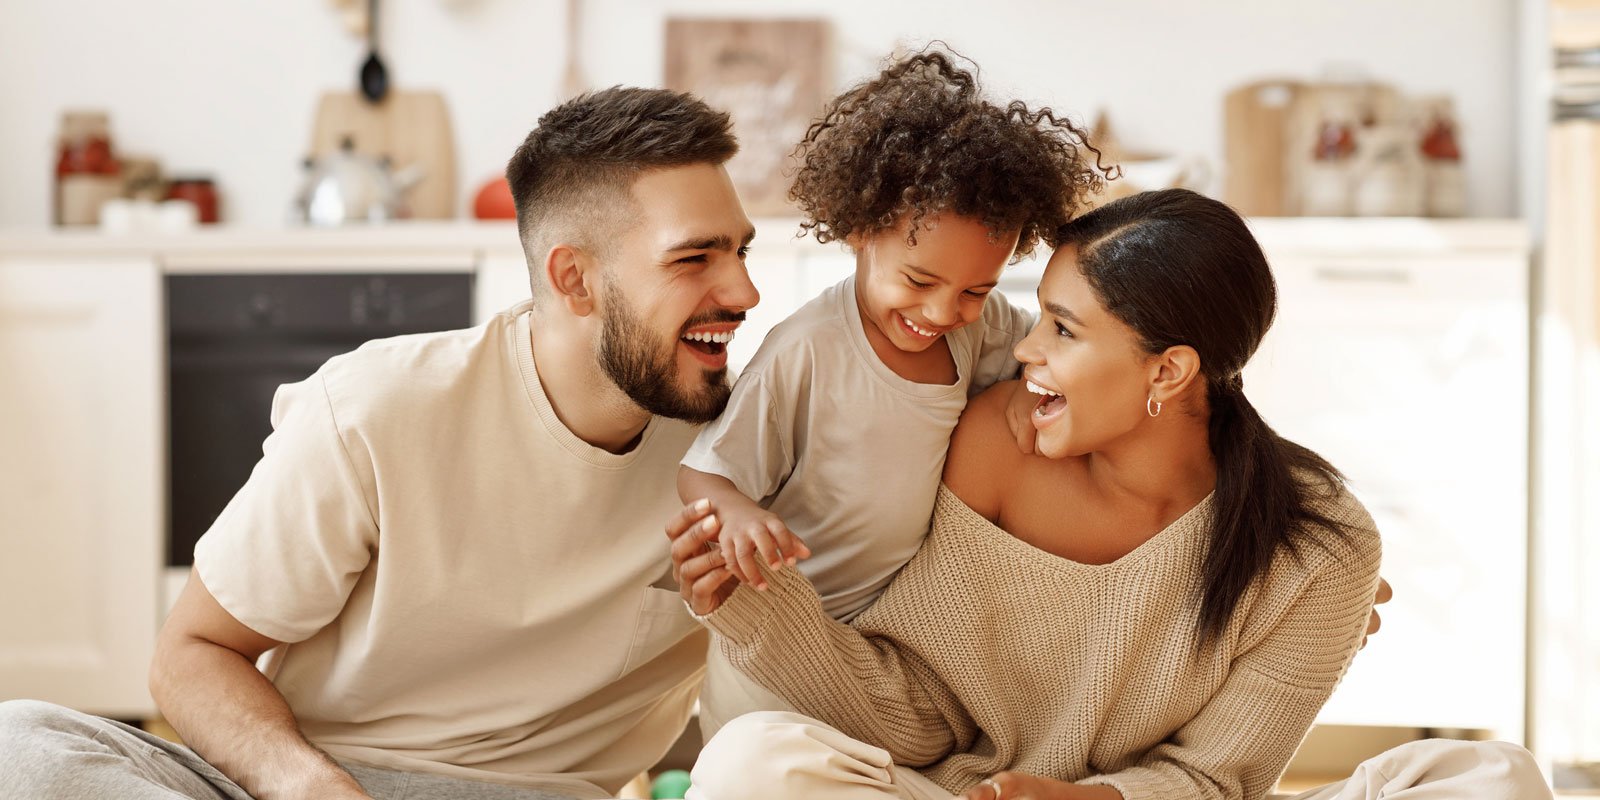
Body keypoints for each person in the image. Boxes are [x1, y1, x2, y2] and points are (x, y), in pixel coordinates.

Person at [0, 86, 761, 800]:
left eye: (742, 252)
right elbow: (191, 656)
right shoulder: (376, 408)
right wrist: (310, 788)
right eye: (694, 258)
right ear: (575, 280)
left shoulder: (754, 441)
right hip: (321, 781)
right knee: (21, 743)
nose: (743, 294)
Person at [669, 189, 1553, 800]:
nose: (1024, 351)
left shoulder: (1320, 545)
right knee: (756, 764)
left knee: (1493, 777)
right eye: (1036, 315)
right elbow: (921, 712)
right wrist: (757, 606)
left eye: (1063, 329)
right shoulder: (998, 444)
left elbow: (1217, 780)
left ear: (1168, 371)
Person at [676, 50, 1102, 737]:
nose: (941, 312)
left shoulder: (979, 329)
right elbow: (702, 471)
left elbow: (1040, 357)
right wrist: (734, 513)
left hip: (881, 649)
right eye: (918, 280)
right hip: (775, 656)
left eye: (975, 289)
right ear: (858, 230)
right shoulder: (808, 349)